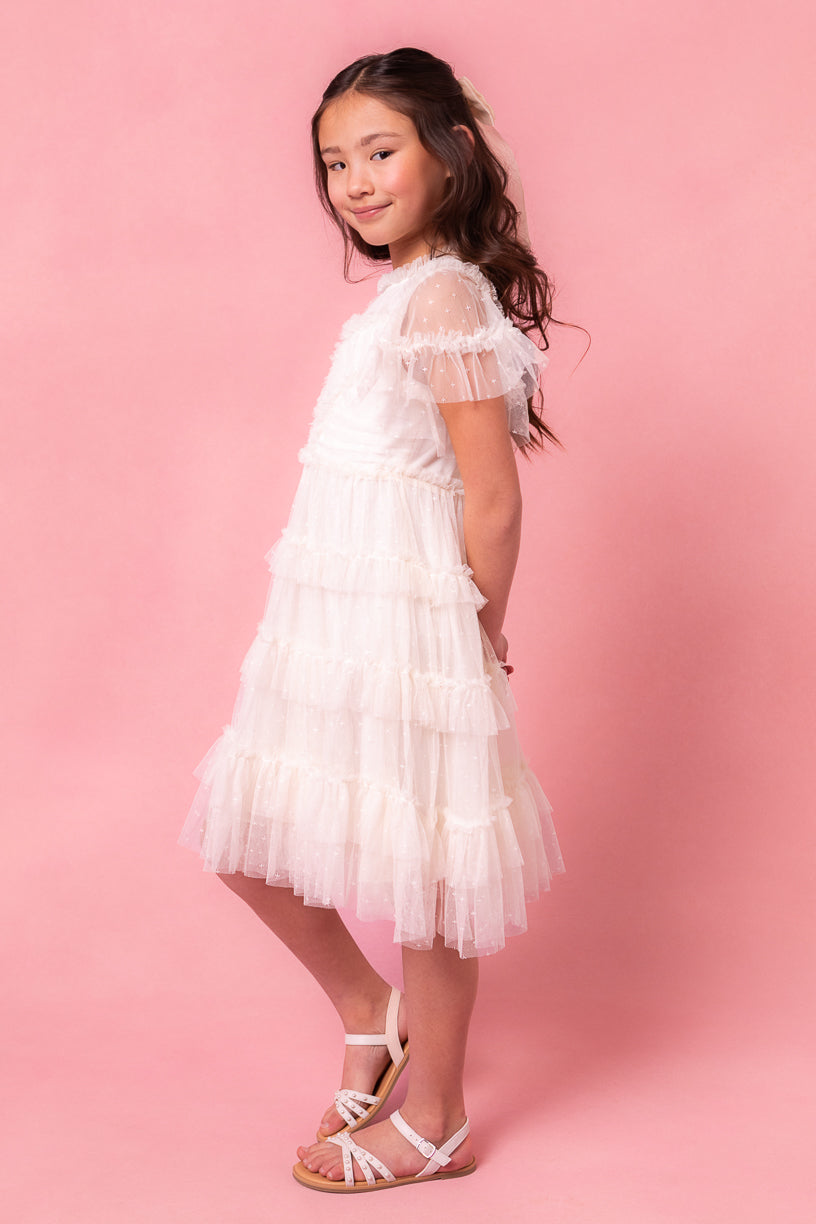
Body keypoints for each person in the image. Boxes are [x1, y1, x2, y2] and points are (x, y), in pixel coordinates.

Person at [179, 46, 565, 1193]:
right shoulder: (404, 294)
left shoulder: (446, 294)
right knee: (250, 830)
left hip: (414, 625)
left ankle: (435, 1117)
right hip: (336, 622)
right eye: (334, 162)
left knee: (432, 876)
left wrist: (477, 644)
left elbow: (491, 494)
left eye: (379, 152)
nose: (354, 181)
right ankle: (368, 1005)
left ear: (450, 150)